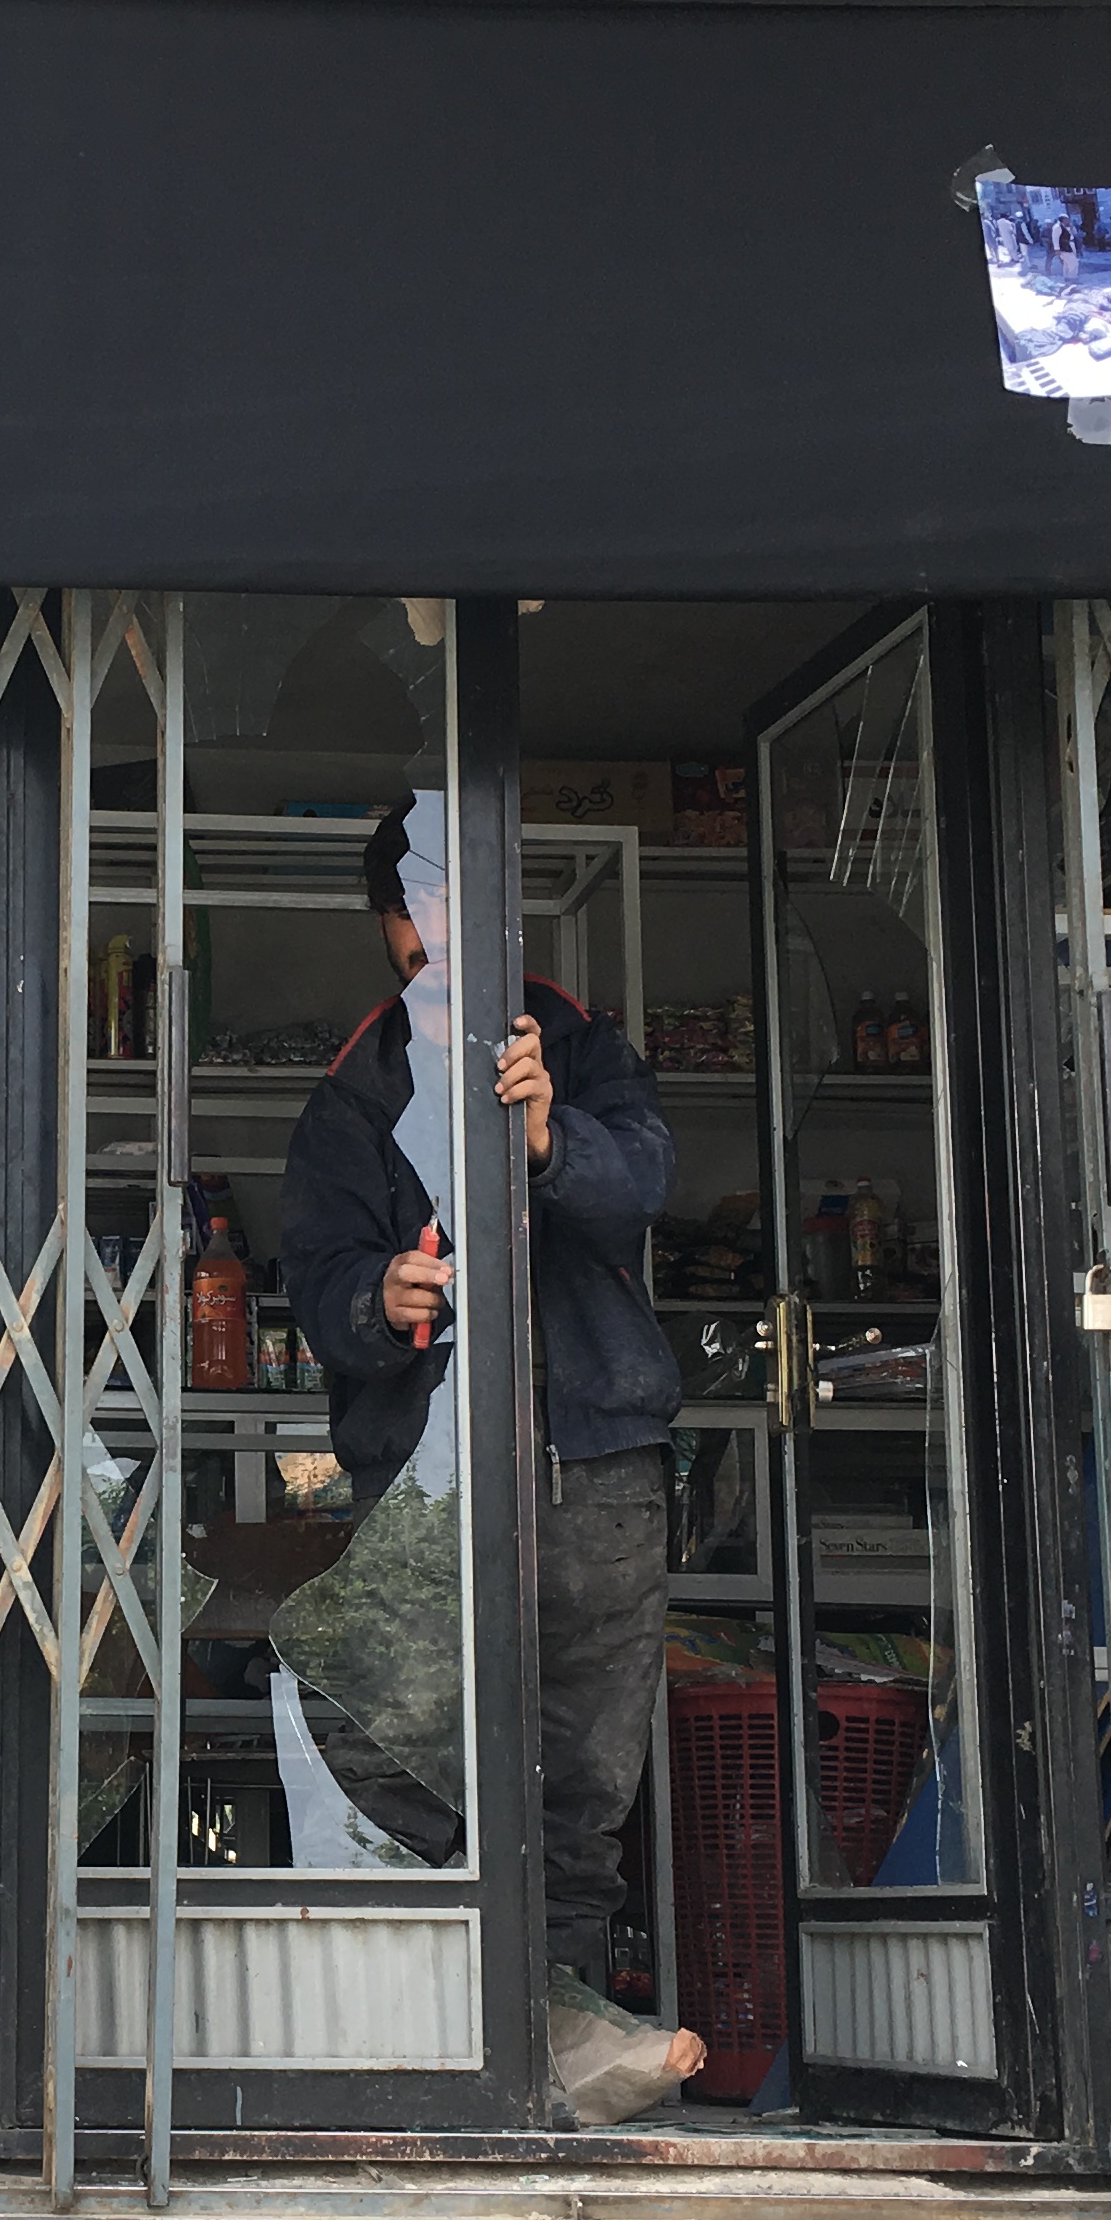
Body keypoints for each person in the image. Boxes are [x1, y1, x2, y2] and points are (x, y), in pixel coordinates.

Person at [277, 803, 707, 2127]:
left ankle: (556, 2048)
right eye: (416, 942)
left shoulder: (577, 1042)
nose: (438, 963)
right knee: (403, 1757)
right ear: (394, 932)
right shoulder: (356, 1087)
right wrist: (383, 1296)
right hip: (432, 1477)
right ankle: (431, 2038)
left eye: (456, 924)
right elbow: (319, 1278)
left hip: (593, 1468)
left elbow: (645, 1179)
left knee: (579, 1781)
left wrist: (546, 1139)